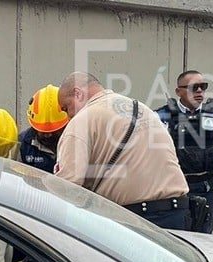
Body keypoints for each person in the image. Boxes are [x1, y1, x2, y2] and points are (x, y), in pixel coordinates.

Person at [54, 72, 191, 230]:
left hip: (134, 220)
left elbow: (68, 186)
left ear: (78, 93)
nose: (68, 116)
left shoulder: (81, 121)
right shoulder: (141, 108)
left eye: (66, 108)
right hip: (178, 213)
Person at [156, 70, 213, 233]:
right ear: (179, 91)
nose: (200, 91)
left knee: (204, 235)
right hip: (175, 188)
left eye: (203, 86)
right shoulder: (162, 116)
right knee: (177, 236)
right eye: (194, 87)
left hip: (206, 187)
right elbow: (153, 155)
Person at [11, 85, 69, 171]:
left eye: (54, 130)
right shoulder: (24, 145)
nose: (48, 135)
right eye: (43, 131)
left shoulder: (77, 142)